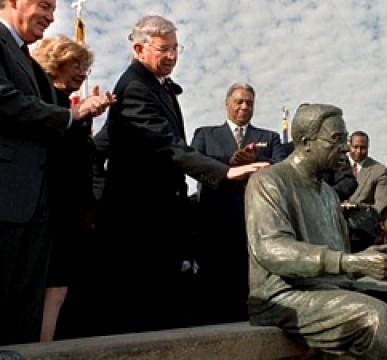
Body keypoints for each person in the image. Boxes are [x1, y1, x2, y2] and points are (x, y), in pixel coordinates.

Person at [94, 16, 267, 335]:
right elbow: (168, 147)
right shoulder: (135, 87)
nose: (173, 56)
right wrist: (226, 171)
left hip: (159, 215)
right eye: (164, 49)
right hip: (139, 216)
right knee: (137, 312)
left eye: (176, 48)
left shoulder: (156, 87)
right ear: (138, 48)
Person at [245, 104, 387, 359]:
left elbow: (340, 258)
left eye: (345, 139)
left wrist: (368, 260)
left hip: (331, 286)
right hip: (282, 294)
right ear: (306, 142)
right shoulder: (268, 181)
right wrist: (349, 261)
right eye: (336, 139)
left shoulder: (329, 195)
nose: (345, 147)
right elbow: (271, 249)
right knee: (373, 316)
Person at [0, 0, 113, 345]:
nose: (51, 17)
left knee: (23, 311)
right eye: (44, 6)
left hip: (35, 206)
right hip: (8, 198)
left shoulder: (24, 57)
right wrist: (71, 116)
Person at [190, 82, 285, 323]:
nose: (244, 107)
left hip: (255, 226)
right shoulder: (204, 134)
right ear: (227, 104)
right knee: (213, 292)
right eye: (239, 101)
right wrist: (229, 164)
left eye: (249, 103)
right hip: (215, 224)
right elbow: (194, 165)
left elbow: (281, 170)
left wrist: (257, 167)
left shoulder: (270, 138)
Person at [30, 36, 96, 342]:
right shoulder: (48, 105)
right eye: (77, 64)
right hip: (52, 211)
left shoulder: (69, 109)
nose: (83, 72)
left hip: (71, 213)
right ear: (56, 62)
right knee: (52, 289)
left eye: (86, 66)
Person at [347, 131, 387, 213]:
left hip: (363, 219)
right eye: (355, 147)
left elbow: (381, 204)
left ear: (368, 147)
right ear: (349, 146)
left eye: (362, 148)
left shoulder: (379, 170)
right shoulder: (336, 164)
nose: (358, 151)